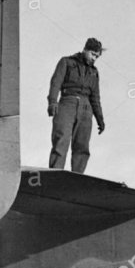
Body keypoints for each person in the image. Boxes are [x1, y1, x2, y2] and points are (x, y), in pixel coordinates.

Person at [47, 37, 106, 173]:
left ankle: (78, 177)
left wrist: (100, 119)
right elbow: (56, 82)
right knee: (61, 140)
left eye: (97, 56)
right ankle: (56, 173)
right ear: (85, 49)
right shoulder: (66, 62)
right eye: (92, 54)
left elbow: (95, 98)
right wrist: (52, 102)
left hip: (86, 109)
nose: (94, 58)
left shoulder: (94, 72)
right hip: (67, 103)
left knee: (82, 145)